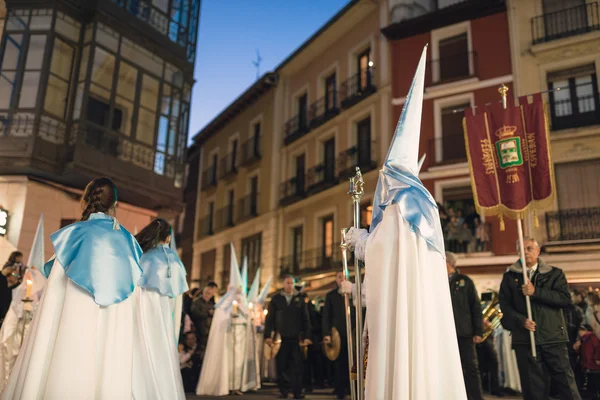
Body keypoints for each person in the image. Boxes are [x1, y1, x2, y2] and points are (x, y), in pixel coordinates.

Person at [343, 46, 467, 400]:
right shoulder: (425, 202)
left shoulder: (399, 201)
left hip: (398, 304)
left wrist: (359, 240)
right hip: (420, 305)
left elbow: (384, 250)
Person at [0, 177, 144, 399]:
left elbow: (54, 293)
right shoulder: (128, 242)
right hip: (112, 333)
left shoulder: (74, 235)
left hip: (72, 324)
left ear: (86, 200)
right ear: (114, 204)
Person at [498, 237, 581, 400]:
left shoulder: (554, 274)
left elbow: (564, 299)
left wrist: (536, 292)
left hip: (553, 337)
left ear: (538, 251)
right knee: (533, 389)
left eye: (529, 248)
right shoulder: (510, 277)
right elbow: (505, 307)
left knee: (566, 384)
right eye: (522, 249)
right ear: (517, 252)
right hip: (525, 340)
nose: (526, 252)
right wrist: (521, 321)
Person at [133, 218, 188, 399]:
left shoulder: (143, 257)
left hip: (143, 312)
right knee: (162, 355)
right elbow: (178, 301)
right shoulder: (175, 261)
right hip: (165, 318)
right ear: (168, 238)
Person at [196, 244, 259, 396]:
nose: (238, 291)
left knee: (238, 363)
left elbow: (249, 318)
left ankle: (237, 385)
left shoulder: (243, 302)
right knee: (228, 362)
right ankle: (227, 384)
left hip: (241, 336)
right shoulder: (224, 302)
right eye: (236, 288)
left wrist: (244, 315)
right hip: (228, 337)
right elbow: (220, 316)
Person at [264, 275, 312, 400]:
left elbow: (306, 319)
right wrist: (267, 336)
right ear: (283, 284)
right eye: (287, 283)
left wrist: (307, 336)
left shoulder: (300, 298)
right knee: (282, 365)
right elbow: (269, 319)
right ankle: (283, 390)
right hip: (280, 338)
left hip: (296, 337)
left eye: (291, 283)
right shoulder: (276, 299)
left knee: (297, 365)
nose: (290, 285)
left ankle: (297, 392)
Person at [446, 252, 485, 400]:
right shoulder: (436, 281)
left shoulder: (465, 281)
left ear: (448, 263)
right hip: (445, 335)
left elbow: (475, 307)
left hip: (464, 333)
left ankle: (475, 397)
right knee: (448, 368)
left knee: (470, 367)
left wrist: (478, 331)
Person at [323, 271, 354, 400]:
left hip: (352, 332)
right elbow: (326, 316)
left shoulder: (354, 293)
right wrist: (326, 334)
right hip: (337, 334)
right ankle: (340, 390)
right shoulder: (331, 296)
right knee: (339, 363)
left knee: (352, 362)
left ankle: (352, 388)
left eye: (344, 277)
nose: (342, 279)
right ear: (336, 279)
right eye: (339, 277)